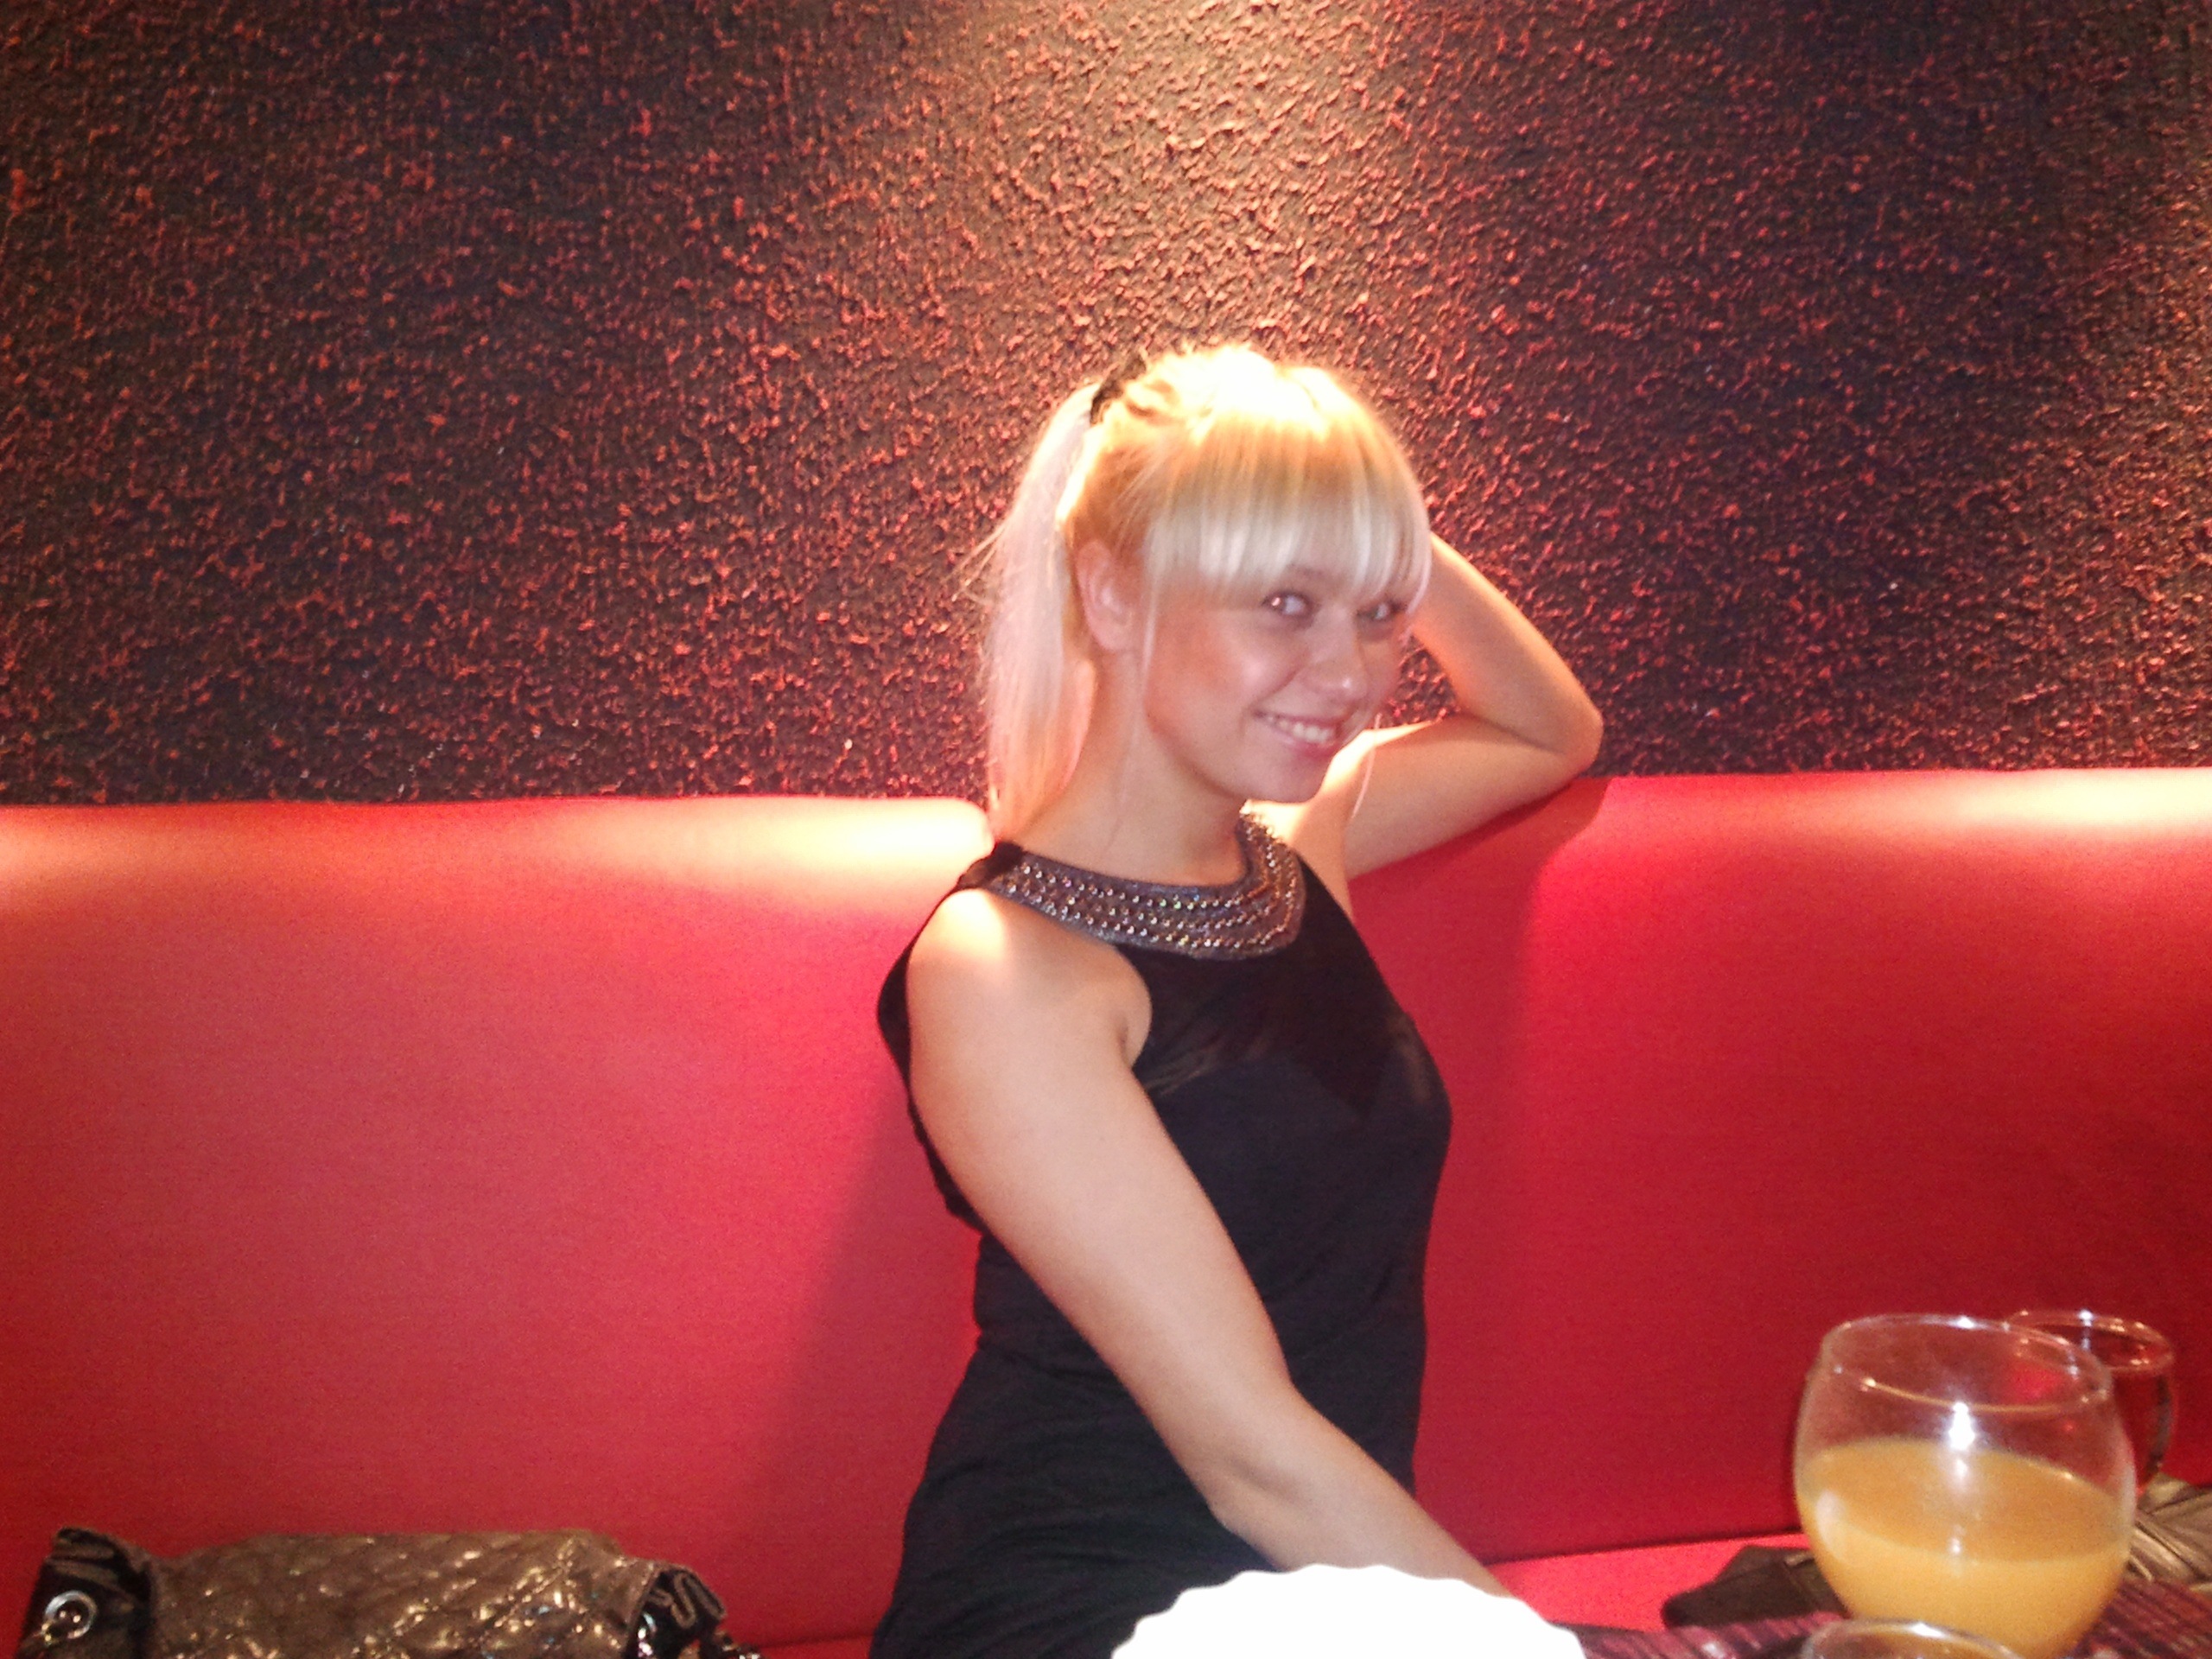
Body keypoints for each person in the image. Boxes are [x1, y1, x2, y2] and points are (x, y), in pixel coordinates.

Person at [871, 343, 1604, 1659]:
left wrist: (1358, 524)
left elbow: (1549, 731)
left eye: (1376, 613)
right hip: (1085, 1598)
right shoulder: (1004, 968)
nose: (1355, 673)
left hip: (1320, 1596)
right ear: (1112, 593)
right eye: (1284, 603)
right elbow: (1252, 1457)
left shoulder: (1295, 844)